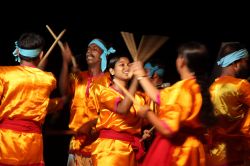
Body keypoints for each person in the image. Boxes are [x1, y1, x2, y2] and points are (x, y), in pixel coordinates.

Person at [130, 41, 217, 166]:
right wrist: (141, 75)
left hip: (177, 150)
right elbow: (159, 97)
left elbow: (168, 129)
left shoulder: (182, 89)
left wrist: (148, 113)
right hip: (192, 149)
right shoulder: (196, 87)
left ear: (182, 61)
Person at [0, 32, 57, 165]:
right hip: (33, 143)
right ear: (41, 55)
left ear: (18, 53)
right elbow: (35, 80)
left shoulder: (4, 74)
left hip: (6, 140)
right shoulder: (49, 79)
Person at [59, 39, 115, 166]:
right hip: (77, 142)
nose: (89, 52)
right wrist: (65, 63)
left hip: (99, 142)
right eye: (88, 49)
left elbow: (111, 112)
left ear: (103, 55)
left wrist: (93, 124)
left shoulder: (109, 80)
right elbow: (64, 92)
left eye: (95, 49)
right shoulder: (78, 76)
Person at [90, 54, 146, 166]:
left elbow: (141, 123)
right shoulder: (106, 92)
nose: (127, 67)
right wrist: (136, 78)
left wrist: (144, 133)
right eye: (122, 65)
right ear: (112, 71)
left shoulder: (139, 98)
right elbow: (122, 109)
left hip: (131, 149)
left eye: (129, 65)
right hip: (110, 149)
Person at [207, 42, 250, 166]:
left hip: (214, 156)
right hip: (236, 155)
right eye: (246, 62)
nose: (248, 66)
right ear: (236, 63)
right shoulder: (241, 85)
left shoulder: (211, 88)